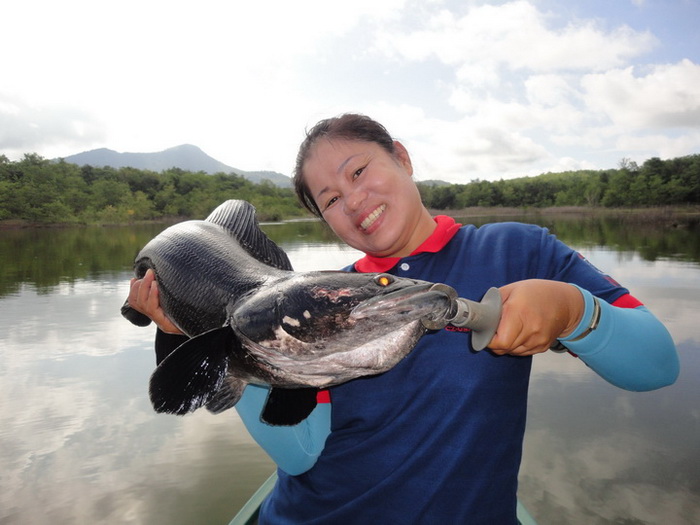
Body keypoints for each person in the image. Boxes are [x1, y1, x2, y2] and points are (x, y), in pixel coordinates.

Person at [128, 113, 679, 524]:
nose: (354, 200)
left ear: (402, 157)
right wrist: (208, 341)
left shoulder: (517, 250)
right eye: (330, 199)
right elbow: (301, 455)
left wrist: (573, 310)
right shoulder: (319, 301)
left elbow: (657, 365)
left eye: (360, 170)